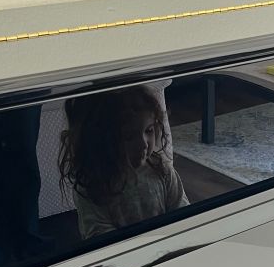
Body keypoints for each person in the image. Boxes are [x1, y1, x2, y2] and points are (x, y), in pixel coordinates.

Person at [59, 86, 188, 239]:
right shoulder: (92, 184)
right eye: (128, 136)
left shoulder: (161, 170)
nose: (144, 144)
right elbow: (98, 234)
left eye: (149, 130)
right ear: (102, 141)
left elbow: (182, 211)